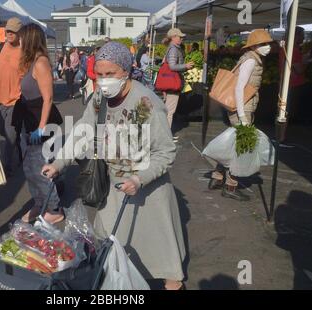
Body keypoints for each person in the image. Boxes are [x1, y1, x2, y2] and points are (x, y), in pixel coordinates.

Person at [42, 42, 187, 290]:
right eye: (99, 74)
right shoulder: (100, 98)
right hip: (113, 193)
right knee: (111, 253)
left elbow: (165, 152)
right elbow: (81, 132)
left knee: (164, 263)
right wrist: (59, 163)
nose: (104, 80)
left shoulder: (147, 103)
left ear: (126, 71)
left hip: (149, 196)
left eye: (110, 74)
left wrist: (140, 179)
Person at [208, 29, 273, 201]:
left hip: (241, 106)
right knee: (241, 147)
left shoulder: (251, 58)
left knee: (233, 143)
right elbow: (239, 88)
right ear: (255, 46)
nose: (267, 47)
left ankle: (217, 177)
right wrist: (243, 115)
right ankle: (231, 186)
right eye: (263, 44)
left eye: (268, 44)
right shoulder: (251, 61)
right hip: (242, 107)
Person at [11, 24, 64, 225]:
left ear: (30, 39)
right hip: (31, 120)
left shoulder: (41, 62)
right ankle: (39, 203)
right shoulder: (32, 62)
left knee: (39, 167)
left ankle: (54, 208)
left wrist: (42, 127)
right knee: (30, 167)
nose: (20, 42)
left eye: (22, 39)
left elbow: (48, 98)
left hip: (42, 122)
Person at [0, 17, 23, 176]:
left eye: (13, 32)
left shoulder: (24, 51)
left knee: (9, 135)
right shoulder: (1, 47)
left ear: (19, 33)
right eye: (8, 31)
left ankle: (6, 166)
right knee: (3, 132)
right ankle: (18, 145)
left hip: (16, 100)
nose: (9, 34)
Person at [163, 28, 194, 143]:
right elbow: (172, 66)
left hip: (171, 82)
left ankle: (167, 134)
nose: (181, 39)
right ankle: (166, 137)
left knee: (168, 110)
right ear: (173, 37)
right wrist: (185, 66)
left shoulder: (172, 48)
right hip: (172, 83)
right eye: (180, 37)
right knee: (170, 111)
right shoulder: (174, 50)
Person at [279, 26, 312, 124]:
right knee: (291, 110)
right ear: (296, 36)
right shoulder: (294, 51)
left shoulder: (285, 49)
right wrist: (308, 61)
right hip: (294, 84)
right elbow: (299, 70)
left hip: (286, 83)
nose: (303, 38)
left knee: (286, 109)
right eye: (302, 35)